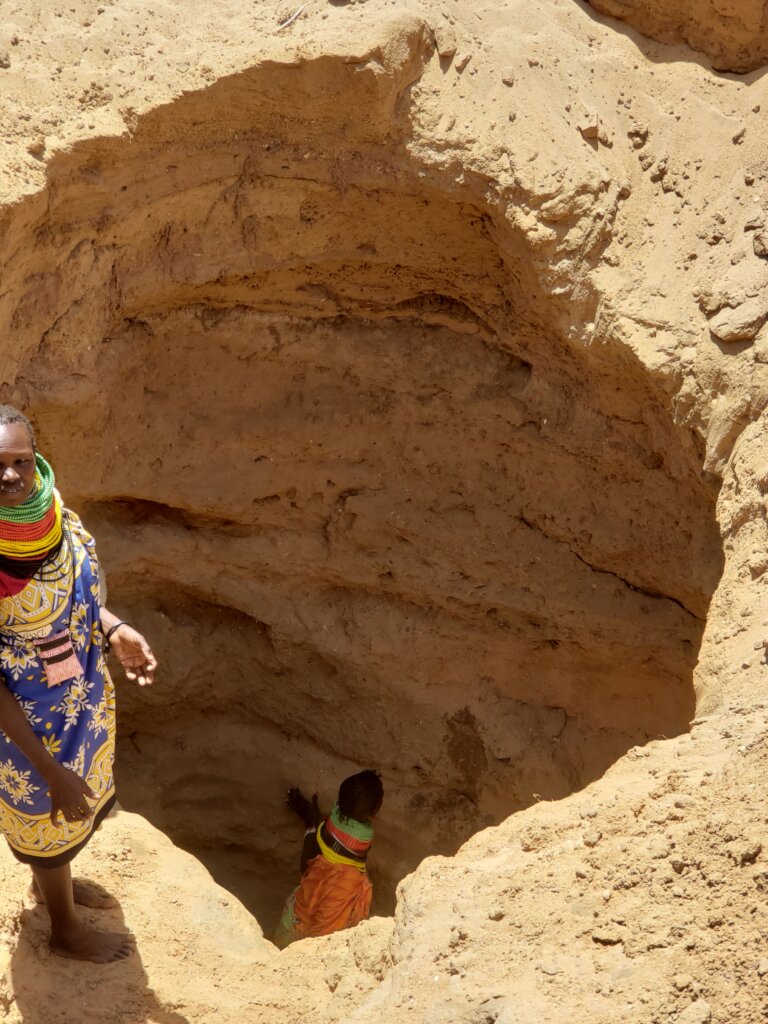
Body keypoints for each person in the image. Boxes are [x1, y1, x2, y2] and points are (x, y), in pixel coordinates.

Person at [0, 405, 157, 963]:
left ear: (36, 457)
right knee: (48, 813)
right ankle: (64, 931)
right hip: (26, 735)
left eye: (20, 460)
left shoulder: (60, 521)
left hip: (82, 705)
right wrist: (46, 769)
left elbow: (79, 599)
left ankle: (54, 885)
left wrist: (115, 629)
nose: (10, 475)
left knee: (71, 816)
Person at [274, 769, 384, 949]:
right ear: (374, 813)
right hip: (322, 936)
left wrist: (312, 824)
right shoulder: (362, 839)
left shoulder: (329, 826)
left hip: (292, 919)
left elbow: (307, 867)